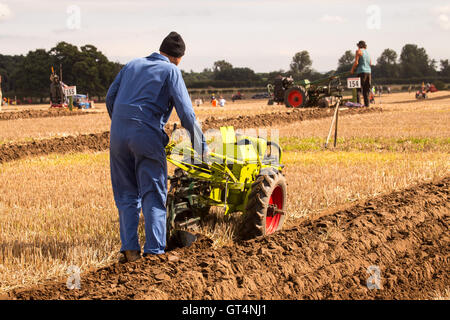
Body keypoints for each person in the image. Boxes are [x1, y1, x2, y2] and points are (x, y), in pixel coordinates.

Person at [106, 32, 208, 263]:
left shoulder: (131, 65)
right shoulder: (171, 71)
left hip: (118, 136)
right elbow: (186, 113)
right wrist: (201, 146)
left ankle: (130, 250)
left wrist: (123, 123)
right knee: (153, 192)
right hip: (146, 136)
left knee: (126, 194)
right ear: (178, 57)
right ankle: (154, 252)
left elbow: (110, 98)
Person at [351, 40, 372, 107]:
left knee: (358, 89)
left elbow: (356, 62)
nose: (357, 47)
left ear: (360, 45)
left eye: (358, 46)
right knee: (366, 90)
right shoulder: (368, 53)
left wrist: (352, 70)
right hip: (368, 72)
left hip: (361, 72)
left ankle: (358, 105)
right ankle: (367, 105)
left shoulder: (358, 51)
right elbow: (370, 63)